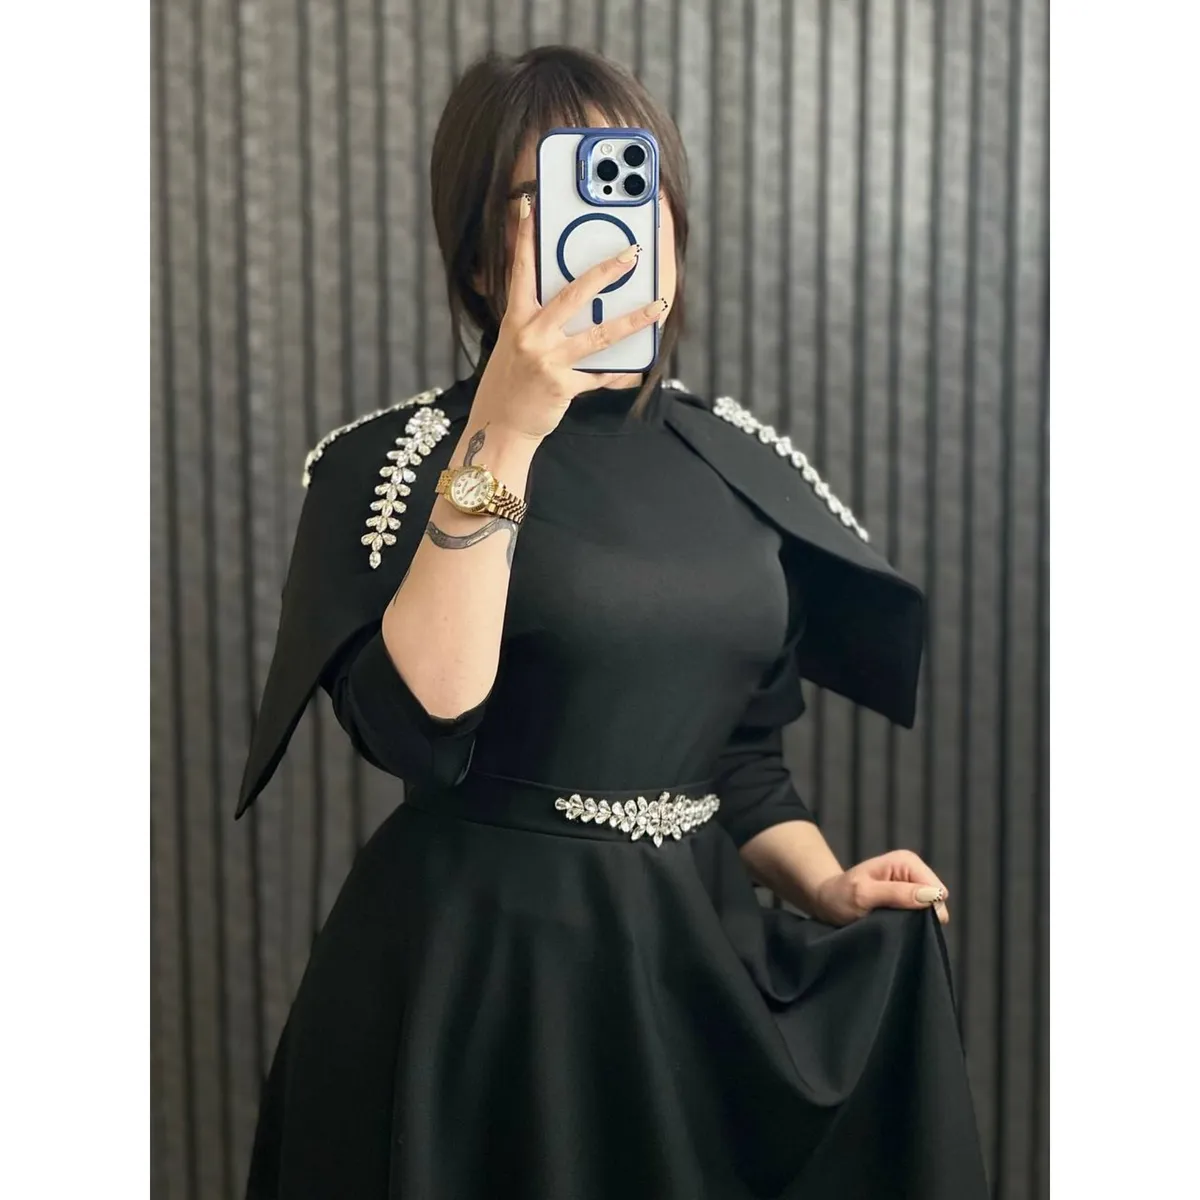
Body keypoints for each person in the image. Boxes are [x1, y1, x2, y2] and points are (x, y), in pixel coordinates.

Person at [235, 44, 989, 1200]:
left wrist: (826, 885)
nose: (606, 227)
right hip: (474, 991)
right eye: (549, 195)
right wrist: (504, 435)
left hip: (692, 975)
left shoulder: (738, 461)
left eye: (628, 180)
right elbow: (420, 725)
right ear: (480, 255)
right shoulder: (388, 463)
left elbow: (742, 761)